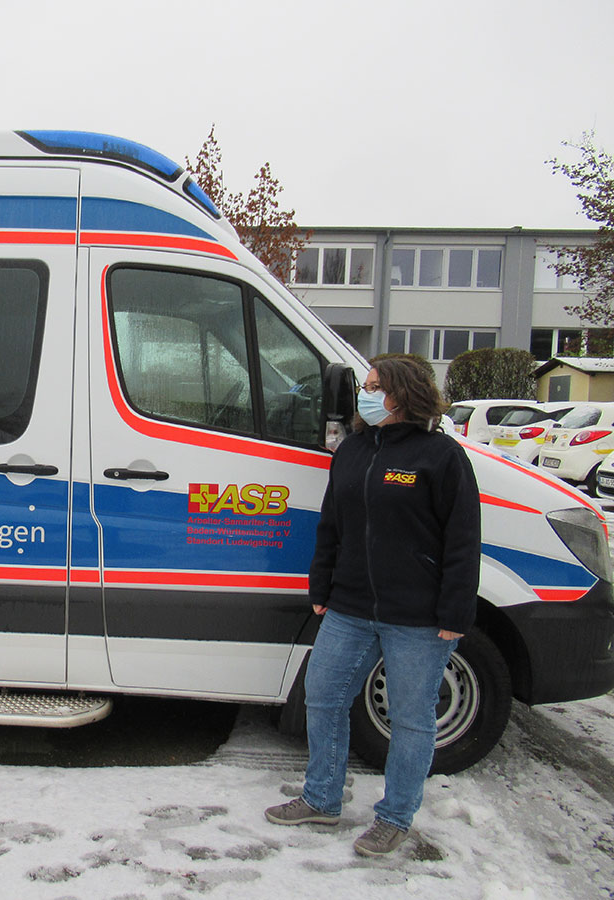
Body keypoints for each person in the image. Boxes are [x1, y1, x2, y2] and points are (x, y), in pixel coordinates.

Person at [264, 356, 481, 857]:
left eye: (375, 386)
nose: (365, 393)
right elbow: (331, 525)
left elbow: (463, 539)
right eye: (365, 385)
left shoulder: (441, 456)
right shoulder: (354, 451)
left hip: (419, 617)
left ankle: (395, 816)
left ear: (403, 394)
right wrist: (321, 588)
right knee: (322, 695)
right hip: (350, 605)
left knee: (411, 718)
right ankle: (321, 798)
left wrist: (454, 612)